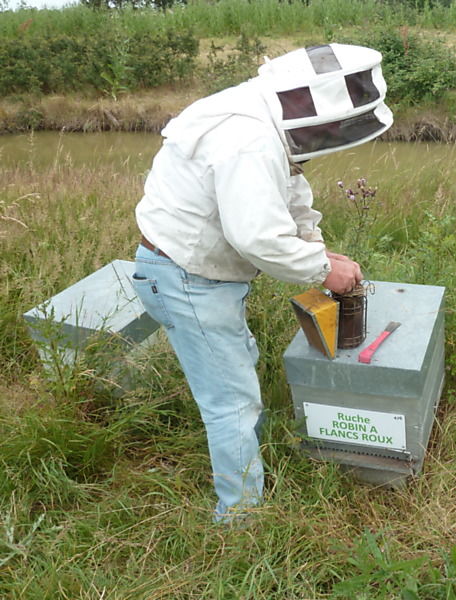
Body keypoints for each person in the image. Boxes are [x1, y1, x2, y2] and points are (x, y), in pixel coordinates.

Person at [131, 44, 393, 522]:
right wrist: (321, 270)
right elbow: (257, 236)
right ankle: (242, 518)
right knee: (229, 401)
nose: (333, 135)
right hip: (185, 280)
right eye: (332, 128)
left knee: (239, 365)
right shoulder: (247, 139)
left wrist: (317, 247)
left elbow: (290, 191)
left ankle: (251, 449)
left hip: (200, 276)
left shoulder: (268, 119)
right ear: (312, 109)